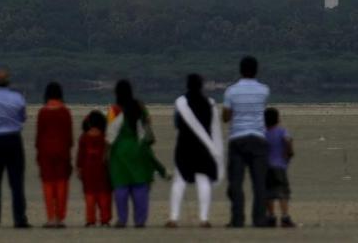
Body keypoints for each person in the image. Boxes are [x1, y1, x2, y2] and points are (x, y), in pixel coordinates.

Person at [167, 74, 224, 228]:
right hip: (203, 147)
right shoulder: (210, 103)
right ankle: (204, 219)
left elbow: (177, 123)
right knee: (203, 179)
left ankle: (173, 218)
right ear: (201, 85)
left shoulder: (180, 102)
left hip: (184, 145)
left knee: (179, 180)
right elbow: (214, 127)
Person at [222, 56, 270, 228]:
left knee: (236, 183)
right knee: (259, 183)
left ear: (240, 70)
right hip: (258, 138)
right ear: (256, 70)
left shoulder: (231, 91)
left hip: (237, 139)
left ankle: (237, 219)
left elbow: (226, 117)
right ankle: (259, 219)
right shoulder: (264, 90)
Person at [0, 68, 30, 228]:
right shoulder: (17, 97)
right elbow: (23, 117)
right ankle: (19, 218)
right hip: (13, 139)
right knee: (16, 182)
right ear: (8, 81)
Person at [106, 79, 156, 228]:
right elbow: (148, 123)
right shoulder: (140, 106)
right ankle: (140, 221)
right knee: (140, 185)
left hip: (120, 151)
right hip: (139, 149)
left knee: (121, 186)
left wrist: (106, 152)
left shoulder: (114, 110)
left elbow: (110, 133)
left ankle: (122, 219)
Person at [35, 82, 73, 228]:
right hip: (62, 150)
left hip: (45, 151)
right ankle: (59, 216)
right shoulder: (65, 111)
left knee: (48, 185)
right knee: (62, 184)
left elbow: (39, 135)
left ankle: (51, 217)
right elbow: (69, 135)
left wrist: (38, 152)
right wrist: (68, 151)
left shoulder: (43, 112)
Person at [76, 110, 112, 227]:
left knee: (89, 197)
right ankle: (105, 219)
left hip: (88, 171)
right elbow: (108, 156)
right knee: (104, 196)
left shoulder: (84, 138)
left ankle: (90, 220)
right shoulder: (105, 138)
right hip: (103, 171)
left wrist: (79, 168)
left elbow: (80, 155)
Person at [264, 107, 296, 228]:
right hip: (279, 166)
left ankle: (271, 216)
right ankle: (285, 216)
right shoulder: (282, 131)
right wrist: (288, 155)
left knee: (268, 193)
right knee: (283, 192)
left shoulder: (263, 133)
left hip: (266, 166)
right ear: (278, 119)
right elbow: (288, 141)